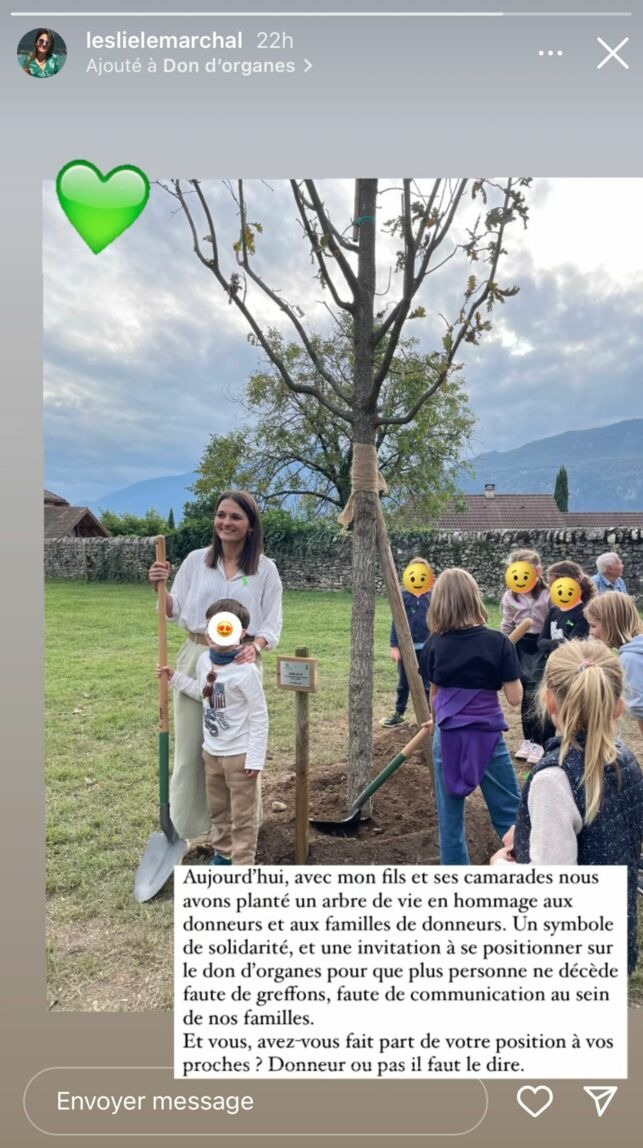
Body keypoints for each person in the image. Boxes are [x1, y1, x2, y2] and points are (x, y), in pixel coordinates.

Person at [491, 640, 643, 974]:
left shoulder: (553, 779)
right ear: (618, 706)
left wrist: (501, 866)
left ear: (547, 700)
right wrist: (530, 831)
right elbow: (606, 827)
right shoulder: (626, 760)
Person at [148, 491, 282, 840]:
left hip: (241, 663)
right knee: (193, 753)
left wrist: (257, 646)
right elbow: (172, 609)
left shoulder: (264, 571)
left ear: (251, 526)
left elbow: (271, 623)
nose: (226, 522)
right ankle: (189, 830)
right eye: (221, 515)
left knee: (238, 755)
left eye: (235, 517)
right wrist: (159, 587)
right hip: (197, 657)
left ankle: (241, 833)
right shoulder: (196, 561)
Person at [419, 568, 522, 865]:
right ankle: (523, 875)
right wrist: (507, 669)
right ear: (474, 598)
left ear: (438, 602)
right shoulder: (498, 643)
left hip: (448, 736)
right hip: (487, 738)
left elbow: (436, 696)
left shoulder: (433, 644)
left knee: (450, 823)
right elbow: (515, 699)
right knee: (509, 813)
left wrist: (435, 718)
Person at [157, 598, 268, 865]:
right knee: (218, 810)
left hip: (239, 758)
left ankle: (242, 865)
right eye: (212, 626)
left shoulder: (246, 672)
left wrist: (255, 759)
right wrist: (175, 678)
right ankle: (223, 855)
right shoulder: (205, 661)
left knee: (242, 815)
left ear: (241, 633)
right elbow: (203, 692)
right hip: (212, 754)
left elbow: (259, 716)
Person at [500, 548, 550, 766]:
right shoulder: (509, 596)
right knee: (525, 693)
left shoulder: (549, 594)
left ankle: (543, 742)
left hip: (542, 645)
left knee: (539, 692)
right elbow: (507, 624)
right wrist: (502, 647)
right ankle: (529, 740)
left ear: (537, 571)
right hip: (521, 645)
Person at [381, 556, 433, 727]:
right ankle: (399, 713)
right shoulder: (402, 596)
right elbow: (396, 622)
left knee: (427, 684)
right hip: (406, 648)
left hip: (426, 647)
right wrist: (395, 645)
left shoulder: (431, 597)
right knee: (404, 683)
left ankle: (428, 716)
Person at [585, 591, 643, 736]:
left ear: (611, 625)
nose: (590, 632)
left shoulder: (630, 657)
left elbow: (639, 706)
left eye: (593, 626)